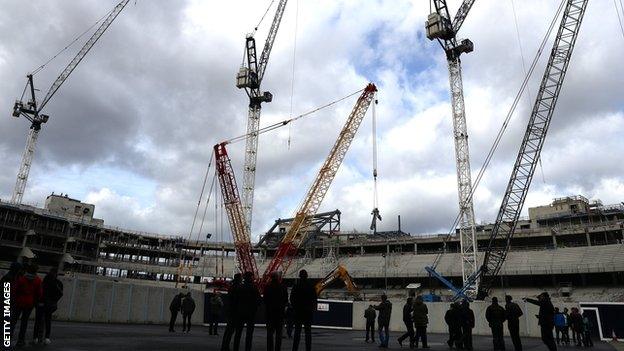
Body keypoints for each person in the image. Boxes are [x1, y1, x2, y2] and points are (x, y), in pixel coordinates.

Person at [10, 263, 42, 347]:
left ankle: (8, 338)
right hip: (29, 303)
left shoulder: (22, 279)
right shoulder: (38, 280)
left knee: (13, 320)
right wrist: (34, 301)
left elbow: (15, 290)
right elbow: (39, 293)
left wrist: (15, 299)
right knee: (24, 322)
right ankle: (20, 340)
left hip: (19, 301)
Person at [33, 267, 63, 345]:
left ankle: (36, 338)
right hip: (50, 304)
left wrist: (38, 302)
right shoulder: (57, 283)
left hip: (42, 303)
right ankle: (46, 338)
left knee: (38, 321)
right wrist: (54, 301)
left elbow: (40, 292)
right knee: (47, 321)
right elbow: (60, 293)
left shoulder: (45, 281)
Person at [233, 271, 261, 351]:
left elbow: (235, 300)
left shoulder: (240, 287)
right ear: (251, 277)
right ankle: (247, 348)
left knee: (238, 333)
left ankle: (236, 348)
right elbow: (258, 300)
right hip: (251, 313)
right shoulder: (254, 287)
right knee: (249, 334)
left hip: (240, 312)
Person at [290, 269, 317, 351]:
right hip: (308, 312)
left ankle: (295, 349)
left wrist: (295, 307)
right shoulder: (311, 286)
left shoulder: (296, 286)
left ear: (299, 276)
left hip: (298, 312)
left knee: (297, 332)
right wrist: (312, 308)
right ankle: (308, 349)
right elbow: (314, 299)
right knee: (308, 333)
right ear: (307, 276)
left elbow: (292, 298)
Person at [264, 271, 288, 351]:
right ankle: (278, 349)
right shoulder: (283, 287)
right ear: (278, 277)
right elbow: (285, 300)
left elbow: (265, 300)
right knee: (279, 334)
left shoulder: (267, 287)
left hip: (270, 313)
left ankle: (269, 349)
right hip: (280, 314)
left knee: (270, 334)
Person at [221, 273, 242, 351]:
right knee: (231, 331)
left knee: (228, 331)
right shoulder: (237, 288)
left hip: (231, 311)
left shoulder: (232, 287)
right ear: (239, 279)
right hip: (235, 312)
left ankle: (224, 346)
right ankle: (226, 347)